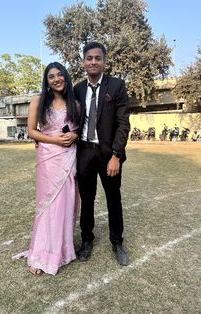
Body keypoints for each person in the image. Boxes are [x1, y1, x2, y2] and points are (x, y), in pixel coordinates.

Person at [13, 62, 79, 276]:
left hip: (69, 157)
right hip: (48, 158)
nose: (56, 79)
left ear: (66, 77)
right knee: (48, 204)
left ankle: (61, 251)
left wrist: (73, 136)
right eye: (51, 77)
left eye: (60, 75)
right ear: (47, 81)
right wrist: (55, 140)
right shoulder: (38, 101)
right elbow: (32, 131)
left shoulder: (75, 103)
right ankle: (41, 254)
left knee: (66, 203)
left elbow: (78, 130)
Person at [74, 42, 130, 266]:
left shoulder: (116, 85)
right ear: (84, 62)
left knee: (113, 199)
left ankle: (117, 242)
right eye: (89, 58)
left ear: (104, 61)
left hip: (109, 154)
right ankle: (86, 239)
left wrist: (116, 154)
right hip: (85, 152)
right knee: (86, 200)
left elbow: (123, 122)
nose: (93, 62)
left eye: (98, 58)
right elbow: (69, 118)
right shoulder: (77, 89)